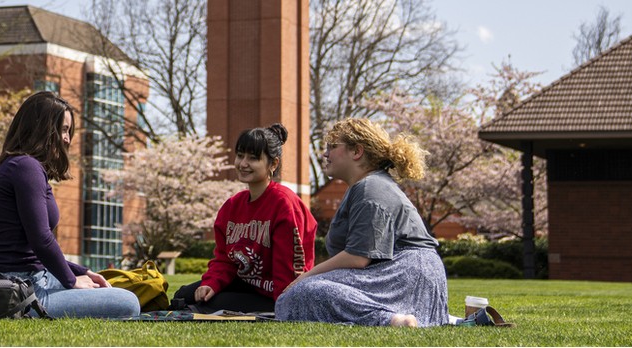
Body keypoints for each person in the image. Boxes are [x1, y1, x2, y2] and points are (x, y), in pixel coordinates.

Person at [0, 91, 140, 318]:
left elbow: (35, 250)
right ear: (43, 128)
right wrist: (72, 280)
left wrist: (82, 271)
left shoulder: (25, 166)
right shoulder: (25, 167)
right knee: (128, 302)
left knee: (110, 286)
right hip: (18, 288)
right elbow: (41, 239)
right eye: (63, 130)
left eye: (68, 131)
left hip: (32, 276)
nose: (67, 139)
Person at [275, 118, 447, 327]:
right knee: (297, 295)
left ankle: (390, 320)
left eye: (332, 147)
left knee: (304, 291)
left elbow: (358, 258)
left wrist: (305, 277)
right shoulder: (365, 186)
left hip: (406, 273)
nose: (325, 154)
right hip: (407, 274)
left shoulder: (370, 187)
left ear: (357, 151)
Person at [171, 124, 317, 314]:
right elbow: (225, 260)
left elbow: (289, 270)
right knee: (184, 295)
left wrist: (285, 306)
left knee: (208, 305)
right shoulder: (232, 206)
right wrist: (212, 283)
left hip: (277, 294)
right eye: (240, 155)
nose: (243, 163)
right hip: (246, 283)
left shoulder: (284, 204)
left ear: (273, 164)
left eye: (253, 158)